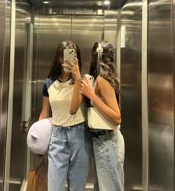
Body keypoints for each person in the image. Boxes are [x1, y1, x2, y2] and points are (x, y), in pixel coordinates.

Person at [39, 40, 91, 191]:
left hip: (79, 135)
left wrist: (77, 78)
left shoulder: (82, 82)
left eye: (74, 57)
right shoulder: (49, 83)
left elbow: (73, 108)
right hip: (57, 135)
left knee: (77, 187)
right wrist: (38, 138)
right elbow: (44, 112)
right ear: (59, 58)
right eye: (66, 56)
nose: (69, 60)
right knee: (54, 186)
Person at [80, 41, 125, 191]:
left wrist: (92, 96)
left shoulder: (103, 80)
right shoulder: (99, 78)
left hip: (108, 142)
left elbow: (117, 117)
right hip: (104, 141)